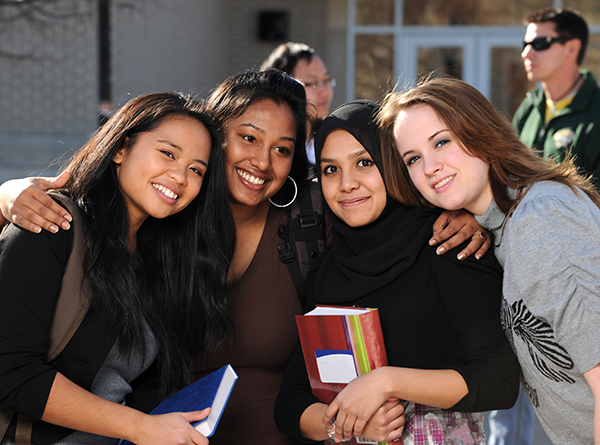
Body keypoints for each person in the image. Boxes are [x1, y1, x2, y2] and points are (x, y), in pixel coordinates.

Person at [0, 69, 492, 445]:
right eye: (248, 138)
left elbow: (379, 201)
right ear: (215, 138)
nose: (261, 162)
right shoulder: (164, 223)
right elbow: (82, 218)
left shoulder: (310, 218)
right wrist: (8, 195)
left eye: (282, 149)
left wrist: (464, 216)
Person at [275, 100, 520, 445]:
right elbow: (290, 401)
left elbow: (499, 381)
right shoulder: (329, 273)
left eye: (364, 163)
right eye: (331, 169)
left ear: (392, 167)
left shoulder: (448, 244)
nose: (347, 184)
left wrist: (385, 382)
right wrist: (347, 424)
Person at [0, 92, 236, 445]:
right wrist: (140, 428)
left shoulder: (162, 263)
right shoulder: (53, 225)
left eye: (196, 169)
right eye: (168, 154)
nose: (179, 176)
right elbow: (11, 372)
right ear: (121, 149)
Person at [378, 75, 600, 445]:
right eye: (413, 158)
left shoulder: (541, 218)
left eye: (442, 142)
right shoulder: (507, 224)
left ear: (480, 131)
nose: (429, 166)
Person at [513, 7, 600, 185]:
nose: (526, 54)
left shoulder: (596, 110)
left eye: (540, 43)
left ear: (572, 48)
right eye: (525, 45)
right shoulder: (529, 107)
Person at [261, 42, 336, 166]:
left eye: (326, 80)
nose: (326, 92)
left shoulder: (330, 140)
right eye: (312, 83)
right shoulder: (272, 151)